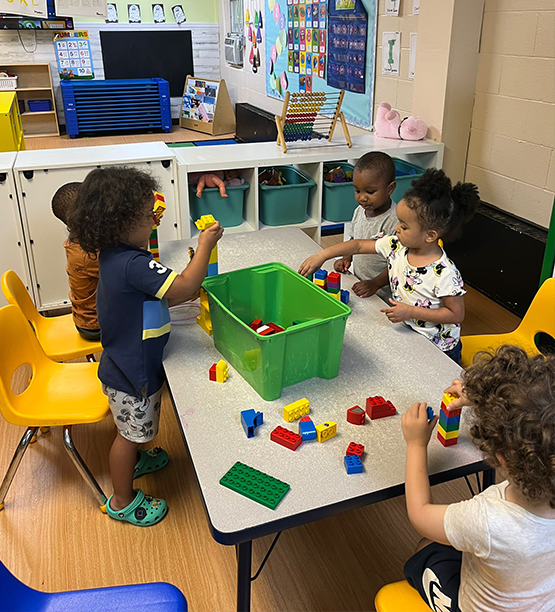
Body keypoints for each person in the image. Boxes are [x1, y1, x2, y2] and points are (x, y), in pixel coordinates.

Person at [68, 166, 223, 526]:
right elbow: (184, 286)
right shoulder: (133, 264)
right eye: (146, 215)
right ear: (122, 223)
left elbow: (147, 298)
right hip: (132, 373)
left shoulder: (115, 254)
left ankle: (135, 457)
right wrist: (205, 246)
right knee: (128, 436)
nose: (154, 220)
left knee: (133, 431)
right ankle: (122, 500)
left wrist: (180, 292)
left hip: (125, 361)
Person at [401, 345, 555, 611]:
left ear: (501, 456)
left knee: (425, 548)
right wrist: (485, 402)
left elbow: (420, 514)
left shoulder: (487, 519)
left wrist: (416, 444)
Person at [299, 169, 479, 364]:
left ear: (430, 235)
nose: (396, 228)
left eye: (404, 226)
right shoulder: (397, 245)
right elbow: (358, 245)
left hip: (439, 348)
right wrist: (322, 255)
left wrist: (411, 312)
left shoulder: (445, 273)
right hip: (409, 334)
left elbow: (456, 314)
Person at [333, 151, 398, 300]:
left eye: (370, 191)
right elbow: (354, 239)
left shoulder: (396, 220)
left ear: (390, 188)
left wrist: (375, 284)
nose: (362, 198)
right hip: (359, 284)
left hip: (383, 295)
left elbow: (398, 263)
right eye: (357, 191)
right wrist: (346, 258)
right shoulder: (359, 211)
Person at [51, 182, 100, 341]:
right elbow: (127, 269)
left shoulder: (80, 241)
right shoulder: (88, 255)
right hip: (95, 326)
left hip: (88, 320)